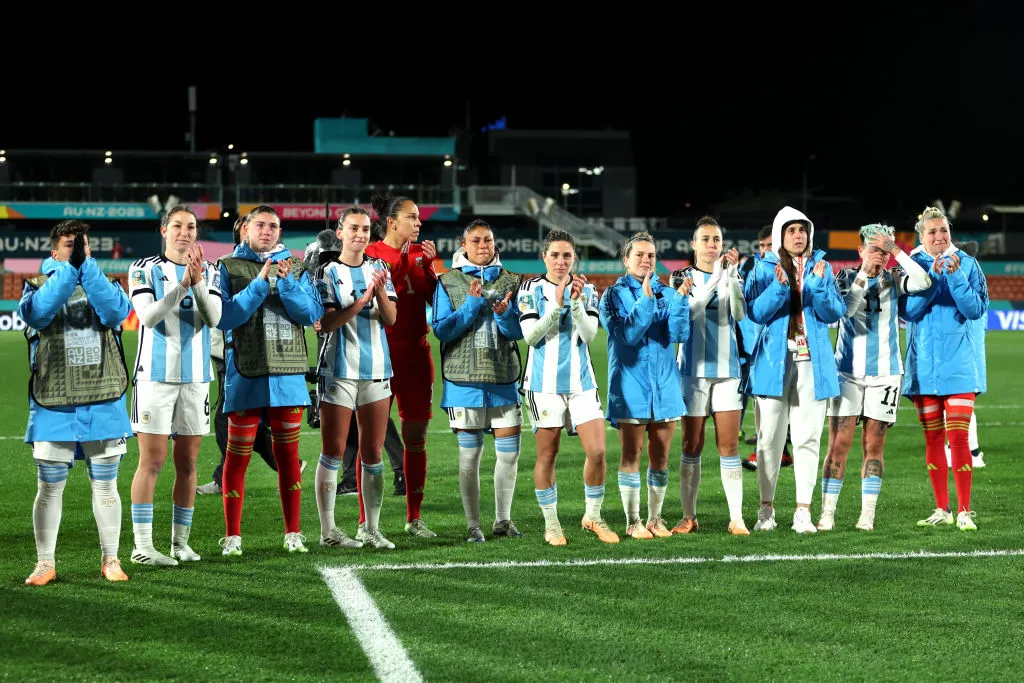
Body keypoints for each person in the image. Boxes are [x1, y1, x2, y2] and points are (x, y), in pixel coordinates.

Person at [20, 220, 133, 584]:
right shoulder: (35, 287)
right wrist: (71, 271)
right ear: (54, 253)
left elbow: (117, 313)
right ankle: (45, 562)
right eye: (70, 244)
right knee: (49, 485)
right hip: (54, 400)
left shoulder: (105, 284)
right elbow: (39, 313)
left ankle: (111, 560)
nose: (78, 249)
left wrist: (88, 269)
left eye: (82, 244)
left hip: (103, 398)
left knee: (106, 484)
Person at [215, 204, 324, 556]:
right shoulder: (227, 267)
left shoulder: (297, 268)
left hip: (288, 374)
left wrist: (288, 282)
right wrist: (261, 284)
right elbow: (226, 316)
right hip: (245, 371)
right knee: (237, 458)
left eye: (273, 226)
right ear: (245, 228)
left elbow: (310, 314)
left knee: (289, 457)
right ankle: (233, 536)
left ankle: (293, 533)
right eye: (259, 225)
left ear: (280, 232)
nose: (267, 231)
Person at [816, 224, 932, 531]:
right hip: (846, 373)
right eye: (874, 249)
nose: (878, 256)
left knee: (874, 444)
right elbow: (846, 311)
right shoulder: (843, 277)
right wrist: (864, 276)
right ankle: (827, 512)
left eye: (883, 251)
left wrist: (896, 250)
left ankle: (867, 513)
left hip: (886, 374)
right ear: (860, 251)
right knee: (839, 443)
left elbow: (923, 280)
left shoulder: (894, 278)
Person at [127, 206, 222, 566]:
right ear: (164, 229)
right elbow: (148, 317)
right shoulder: (144, 268)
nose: (185, 232)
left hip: (196, 378)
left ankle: (180, 544)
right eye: (178, 225)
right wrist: (182, 283)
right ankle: (143, 547)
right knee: (152, 461)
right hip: (154, 377)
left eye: (192, 226)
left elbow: (213, 318)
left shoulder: (209, 270)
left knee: (189, 463)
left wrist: (196, 282)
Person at [743, 206, 844, 533]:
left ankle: (803, 511)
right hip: (774, 363)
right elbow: (756, 312)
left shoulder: (822, 267)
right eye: (791, 230)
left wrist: (814, 285)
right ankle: (766, 510)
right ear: (779, 235)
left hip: (812, 364)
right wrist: (780, 287)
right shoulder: (763, 267)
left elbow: (834, 312)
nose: (798, 236)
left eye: (803, 230)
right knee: (768, 440)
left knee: (808, 438)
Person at [518, 230, 620, 546]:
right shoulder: (530, 289)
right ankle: (552, 524)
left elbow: (589, 335)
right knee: (548, 455)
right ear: (544, 257)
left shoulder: (587, 289)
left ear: (574, 257)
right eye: (555, 255)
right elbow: (531, 337)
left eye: (567, 255)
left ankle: (593, 516)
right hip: (543, 385)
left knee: (599, 451)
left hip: (581, 383)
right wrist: (557, 304)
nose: (561, 261)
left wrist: (575, 303)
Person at [432, 219, 525, 543]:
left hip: (503, 378)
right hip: (464, 382)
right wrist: (472, 306)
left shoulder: (512, 280)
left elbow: (518, 332)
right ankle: (474, 525)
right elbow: (442, 330)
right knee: (470, 456)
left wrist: (503, 314)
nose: (483, 245)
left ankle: (503, 520)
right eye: (476, 240)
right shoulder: (447, 281)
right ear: (464, 244)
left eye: (487, 240)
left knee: (509, 454)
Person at [312, 207, 399, 550]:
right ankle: (329, 529)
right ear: (341, 232)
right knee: (333, 451)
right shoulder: (327, 273)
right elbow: (328, 323)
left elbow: (391, 318)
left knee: (373, 453)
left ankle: (371, 528)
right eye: (354, 229)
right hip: (339, 369)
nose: (361, 234)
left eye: (365, 229)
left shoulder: (380, 270)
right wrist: (363, 298)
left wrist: (377, 292)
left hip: (377, 368)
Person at [599, 231, 691, 540]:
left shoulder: (667, 293)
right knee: (632, 454)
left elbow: (678, 334)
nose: (645, 259)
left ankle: (655, 518)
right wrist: (647, 301)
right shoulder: (612, 295)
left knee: (662, 456)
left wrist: (679, 302)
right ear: (626, 260)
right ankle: (633, 520)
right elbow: (627, 335)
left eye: (650, 255)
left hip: (665, 386)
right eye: (639, 254)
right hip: (630, 386)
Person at [901, 207, 987, 531]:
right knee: (933, 439)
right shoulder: (913, 266)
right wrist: (935, 276)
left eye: (944, 231)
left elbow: (975, 308)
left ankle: (964, 511)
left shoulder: (967, 264)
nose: (939, 237)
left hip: (960, 365)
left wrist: (954, 275)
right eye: (932, 232)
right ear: (921, 237)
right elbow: (910, 311)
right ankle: (942, 509)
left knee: (959, 438)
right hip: (924, 366)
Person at [365, 191, 440, 536]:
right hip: (379, 355)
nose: (418, 223)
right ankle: (368, 522)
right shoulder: (371, 253)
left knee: (415, 436)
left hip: (415, 354)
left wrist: (432, 270)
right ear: (392, 223)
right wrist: (403, 261)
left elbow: (436, 302)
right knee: (372, 439)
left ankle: (414, 517)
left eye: (419, 218)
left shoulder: (420, 257)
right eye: (412, 217)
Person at [196, 217, 286, 496]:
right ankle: (281, 464)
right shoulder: (225, 265)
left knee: (231, 415)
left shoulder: (251, 265)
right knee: (238, 414)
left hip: (237, 352)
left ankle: (231, 475)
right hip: (224, 350)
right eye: (253, 228)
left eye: (268, 227)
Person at [671, 217, 749, 536]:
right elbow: (690, 311)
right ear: (693, 244)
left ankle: (736, 518)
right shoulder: (681, 276)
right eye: (705, 239)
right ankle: (689, 516)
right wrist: (718, 277)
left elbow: (740, 314)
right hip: (692, 371)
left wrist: (731, 279)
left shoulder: (732, 274)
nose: (711, 245)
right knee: (692, 444)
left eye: (716, 239)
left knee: (729, 445)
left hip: (728, 371)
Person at [943, 240, 987, 470]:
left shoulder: (965, 289)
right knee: (961, 405)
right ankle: (971, 451)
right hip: (973, 360)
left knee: (956, 405)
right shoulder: (978, 286)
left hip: (962, 358)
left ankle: (967, 452)